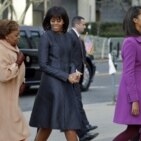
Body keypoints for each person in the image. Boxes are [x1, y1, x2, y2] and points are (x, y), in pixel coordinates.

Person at [29, 6, 82, 141]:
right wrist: (66, 76)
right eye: (52, 20)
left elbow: (71, 60)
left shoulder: (69, 37)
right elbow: (43, 65)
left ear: (64, 21)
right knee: (46, 126)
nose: (55, 23)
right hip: (51, 86)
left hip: (67, 85)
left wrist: (74, 72)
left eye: (58, 20)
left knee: (70, 124)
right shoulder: (46, 36)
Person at [113, 6, 141, 141]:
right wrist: (134, 100)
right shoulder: (130, 42)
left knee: (137, 129)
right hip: (135, 92)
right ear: (135, 20)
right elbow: (128, 73)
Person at [69, 16, 99, 141]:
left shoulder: (78, 37)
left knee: (78, 102)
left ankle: (84, 128)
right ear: (77, 24)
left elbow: (82, 56)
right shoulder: (70, 36)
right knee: (75, 104)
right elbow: (70, 57)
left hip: (78, 76)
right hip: (72, 76)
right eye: (83, 24)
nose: (85, 27)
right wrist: (74, 72)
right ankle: (83, 132)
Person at [0, 19, 30, 141]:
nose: (19, 37)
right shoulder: (1, 49)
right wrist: (17, 63)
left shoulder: (13, 46)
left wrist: (23, 82)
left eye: (19, 34)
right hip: (4, 98)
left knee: (14, 132)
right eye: (16, 35)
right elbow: (3, 75)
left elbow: (20, 70)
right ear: (6, 36)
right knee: (15, 133)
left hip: (12, 96)